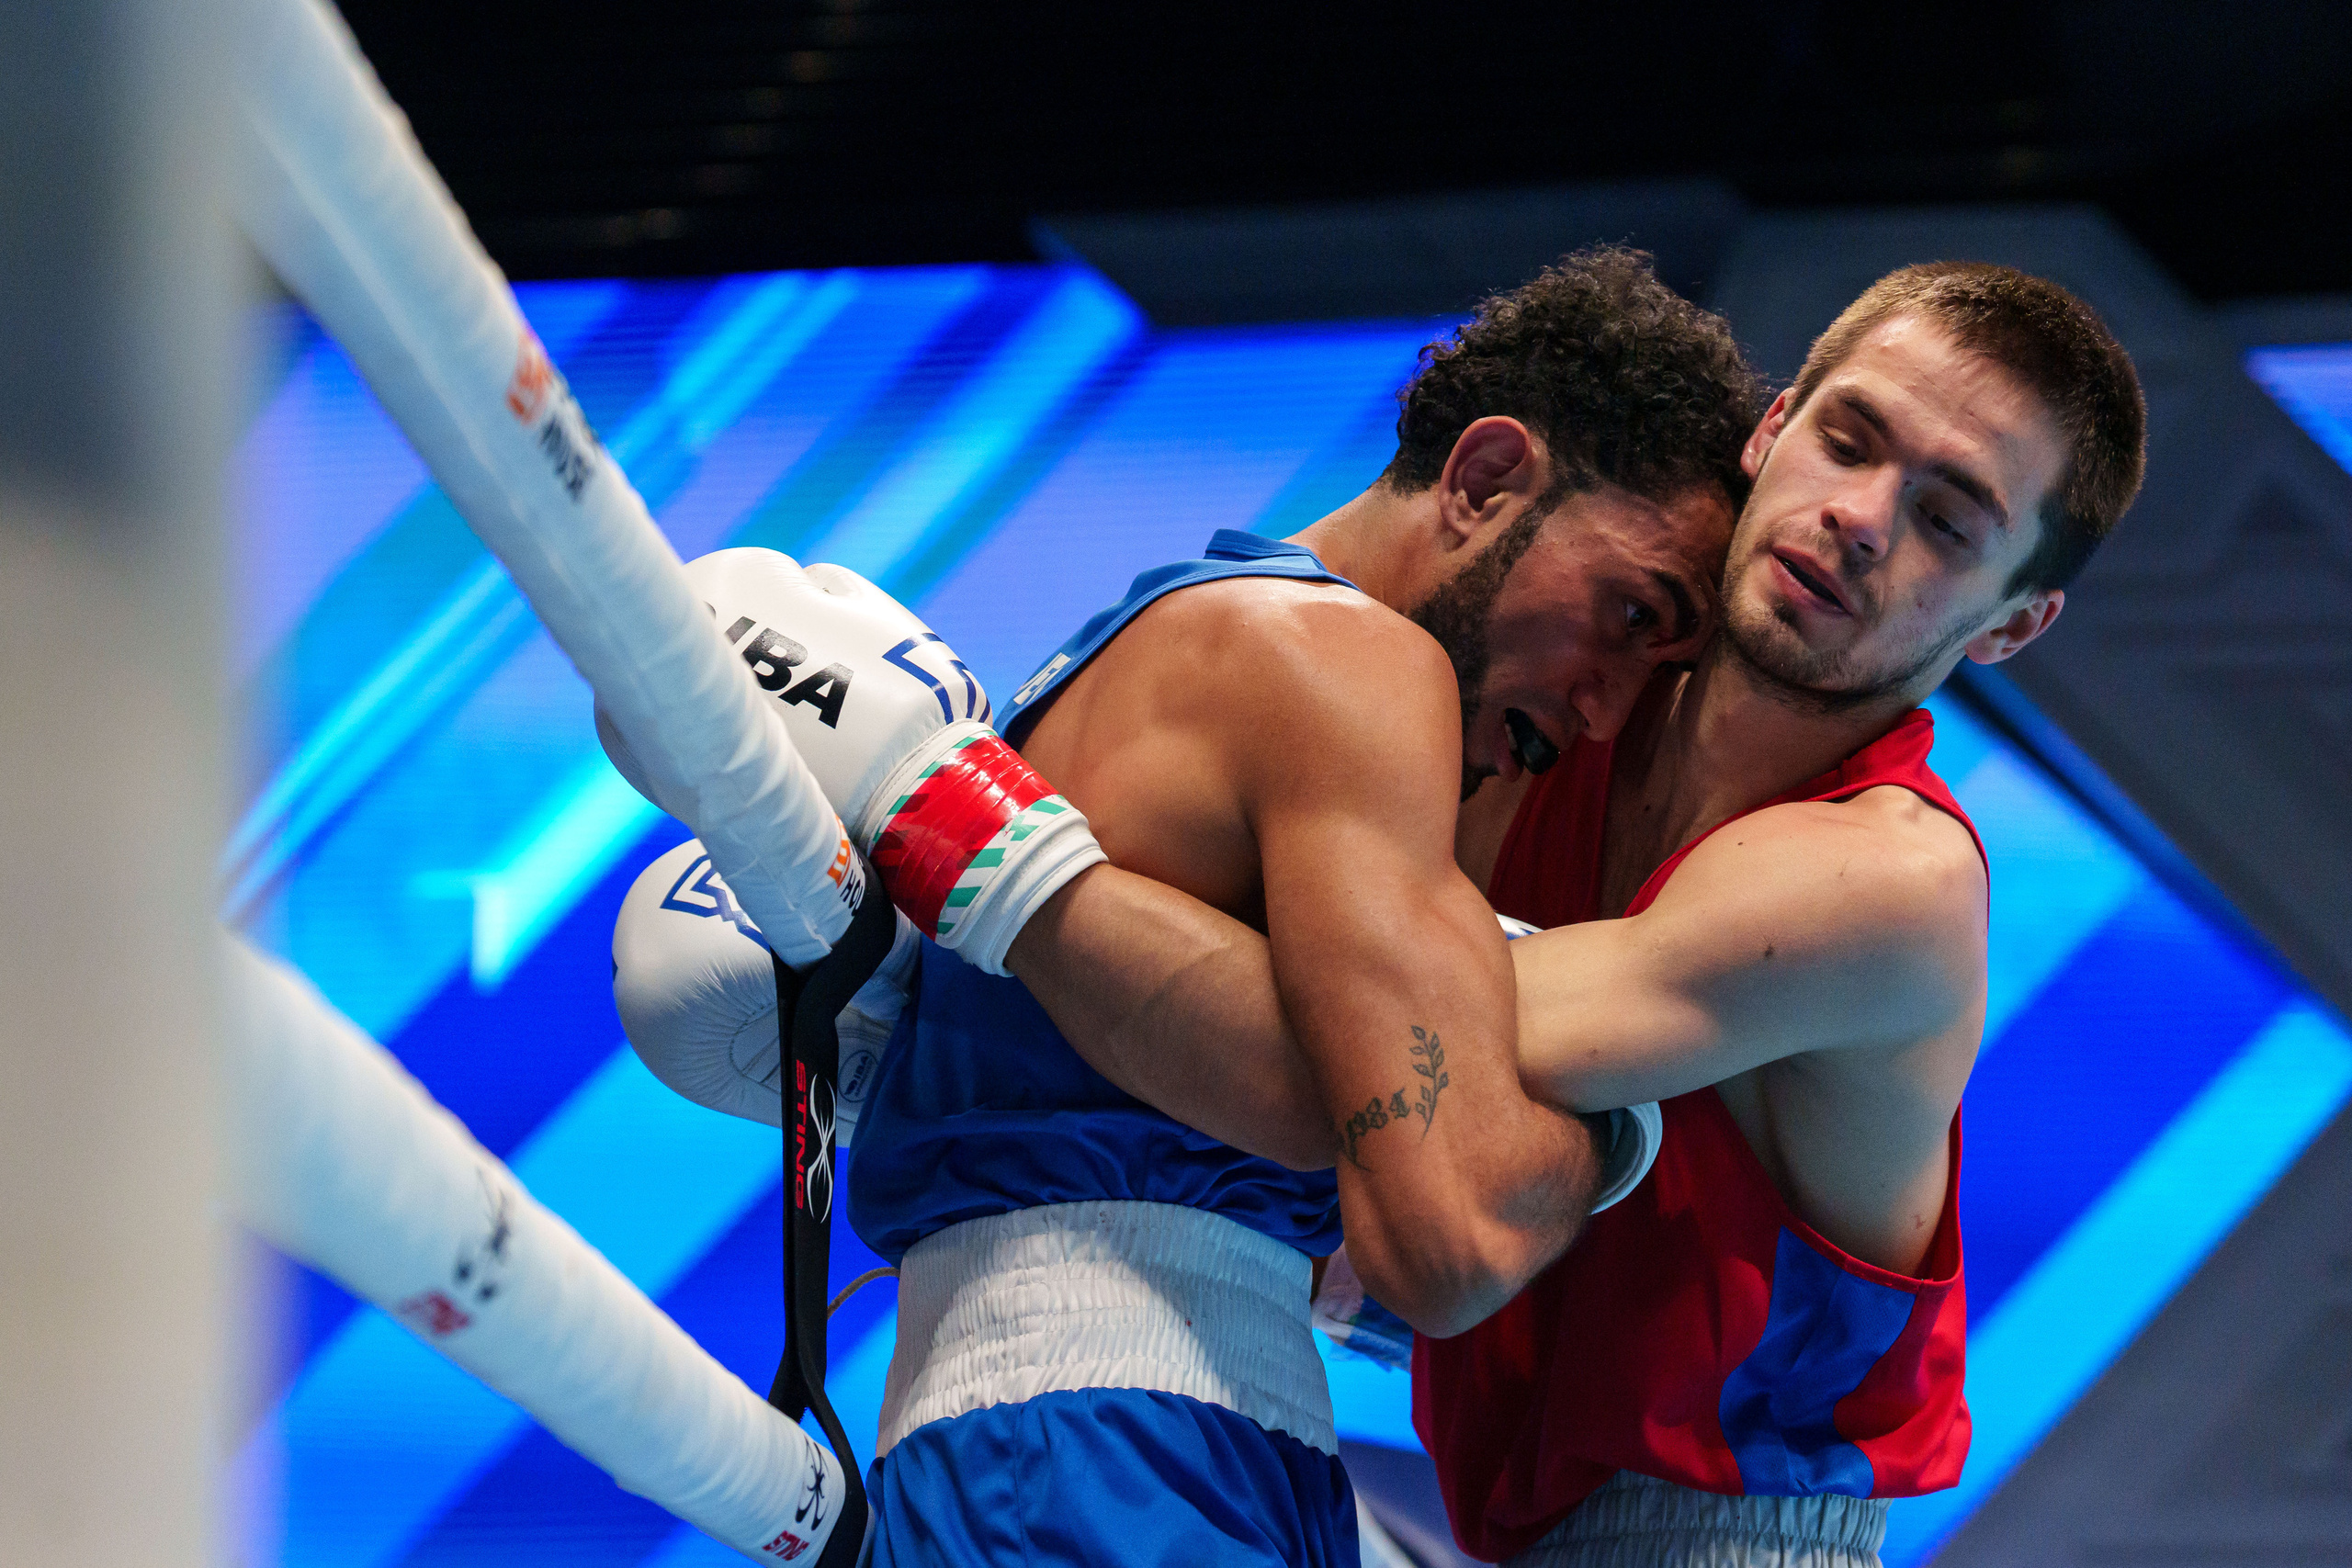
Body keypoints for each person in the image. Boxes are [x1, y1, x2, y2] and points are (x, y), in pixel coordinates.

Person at [951, 260, 2148, 1565]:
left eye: (1948, 520)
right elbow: (1371, 1098)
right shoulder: (1555, 720)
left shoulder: (1890, 882)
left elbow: (1376, 1033)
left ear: (2016, 624)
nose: (1861, 517)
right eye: (1848, 442)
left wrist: (980, 845)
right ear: (1773, 427)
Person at [608, 248, 1767, 1565]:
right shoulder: (1344, 659)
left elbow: (1341, 1170)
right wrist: (1599, 1107)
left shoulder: (1183, 670)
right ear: (1488, 478)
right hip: (1112, 1452)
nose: (1605, 708)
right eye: (1628, 613)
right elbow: (1446, 1237)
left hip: (1131, 1447)